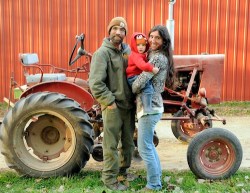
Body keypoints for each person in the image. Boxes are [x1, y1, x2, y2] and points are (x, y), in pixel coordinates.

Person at [89, 17, 136, 191]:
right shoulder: (102, 54)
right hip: (113, 106)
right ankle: (109, 179)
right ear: (109, 31)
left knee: (128, 142)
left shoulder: (127, 51)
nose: (118, 32)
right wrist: (110, 102)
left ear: (125, 34)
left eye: (122, 30)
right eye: (115, 28)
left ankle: (123, 171)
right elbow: (96, 83)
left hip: (129, 106)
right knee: (111, 144)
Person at [132, 25, 175, 191]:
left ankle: (153, 185)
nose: (152, 40)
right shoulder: (154, 54)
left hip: (150, 108)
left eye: (157, 38)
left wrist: (131, 86)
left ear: (164, 41)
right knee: (148, 145)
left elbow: (140, 82)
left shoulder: (157, 58)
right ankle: (156, 178)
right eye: (151, 37)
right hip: (152, 107)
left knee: (144, 147)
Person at [126, 32, 159, 113]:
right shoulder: (136, 55)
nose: (141, 47)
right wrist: (152, 69)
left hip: (135, 76)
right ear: (134, 45)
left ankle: (146, 107)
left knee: (148, 86)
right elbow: (142, 65)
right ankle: (147, 109)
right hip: (133, 77)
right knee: (148, 89)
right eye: (138, 45)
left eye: (143, 45)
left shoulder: (141, 54)